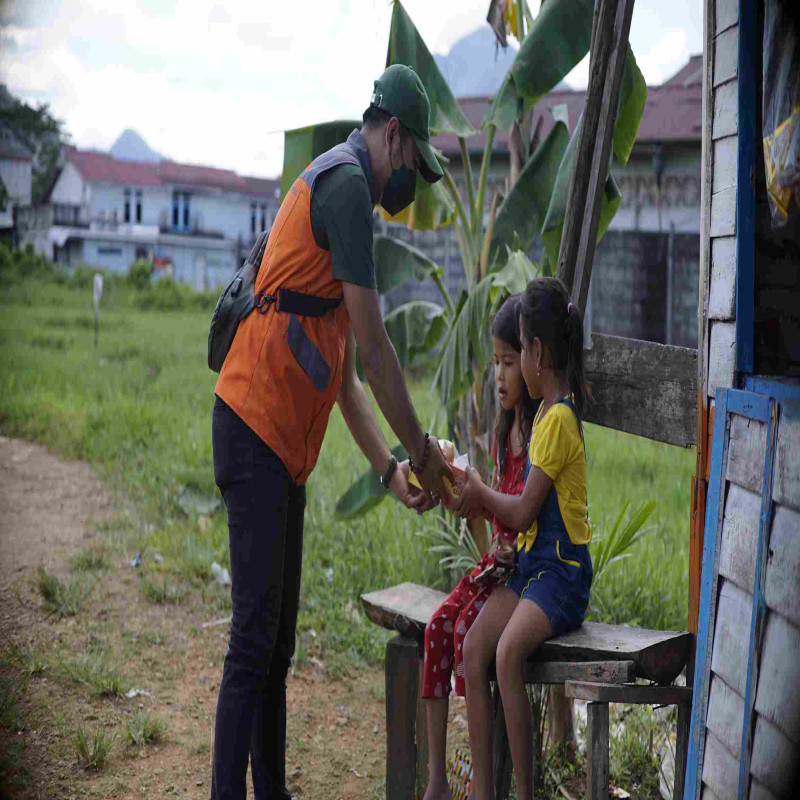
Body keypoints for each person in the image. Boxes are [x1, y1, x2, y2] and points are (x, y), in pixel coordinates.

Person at [210, 63, 453, 800]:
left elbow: (346, 376)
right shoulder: (348, 186)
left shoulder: (348, 190)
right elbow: (378, 352)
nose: (410, 179)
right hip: (254, 425)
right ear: (392, 134)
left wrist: (388, 470)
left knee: (275, 642)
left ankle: (271, 791)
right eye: (413, 160)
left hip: (279, 443)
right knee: (254, 641)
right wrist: (426, 455)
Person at [453, 277, 593, 800]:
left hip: (563, 573)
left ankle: (522, 793)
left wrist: (479, 492)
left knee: (507, 654)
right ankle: (486, 791)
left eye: (518, 352)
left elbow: (520, 509)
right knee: (473, 649)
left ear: (536, 352)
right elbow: (518, 521)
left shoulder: (557, 421)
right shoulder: (544, 419)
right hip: (535, 566)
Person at [421, 294, 538, 800]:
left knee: (471, 645)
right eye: (495, 364)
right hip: (498, 566)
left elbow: (526, 515)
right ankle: (437, 782)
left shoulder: (541, 434)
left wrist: (485, 506)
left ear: (533, 361)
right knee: (435, 630)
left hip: (527, 574)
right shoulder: (503, 430)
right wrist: (460, 495)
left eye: (508, 362)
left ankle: (485, 789)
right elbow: (492, 512)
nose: (499, 375)